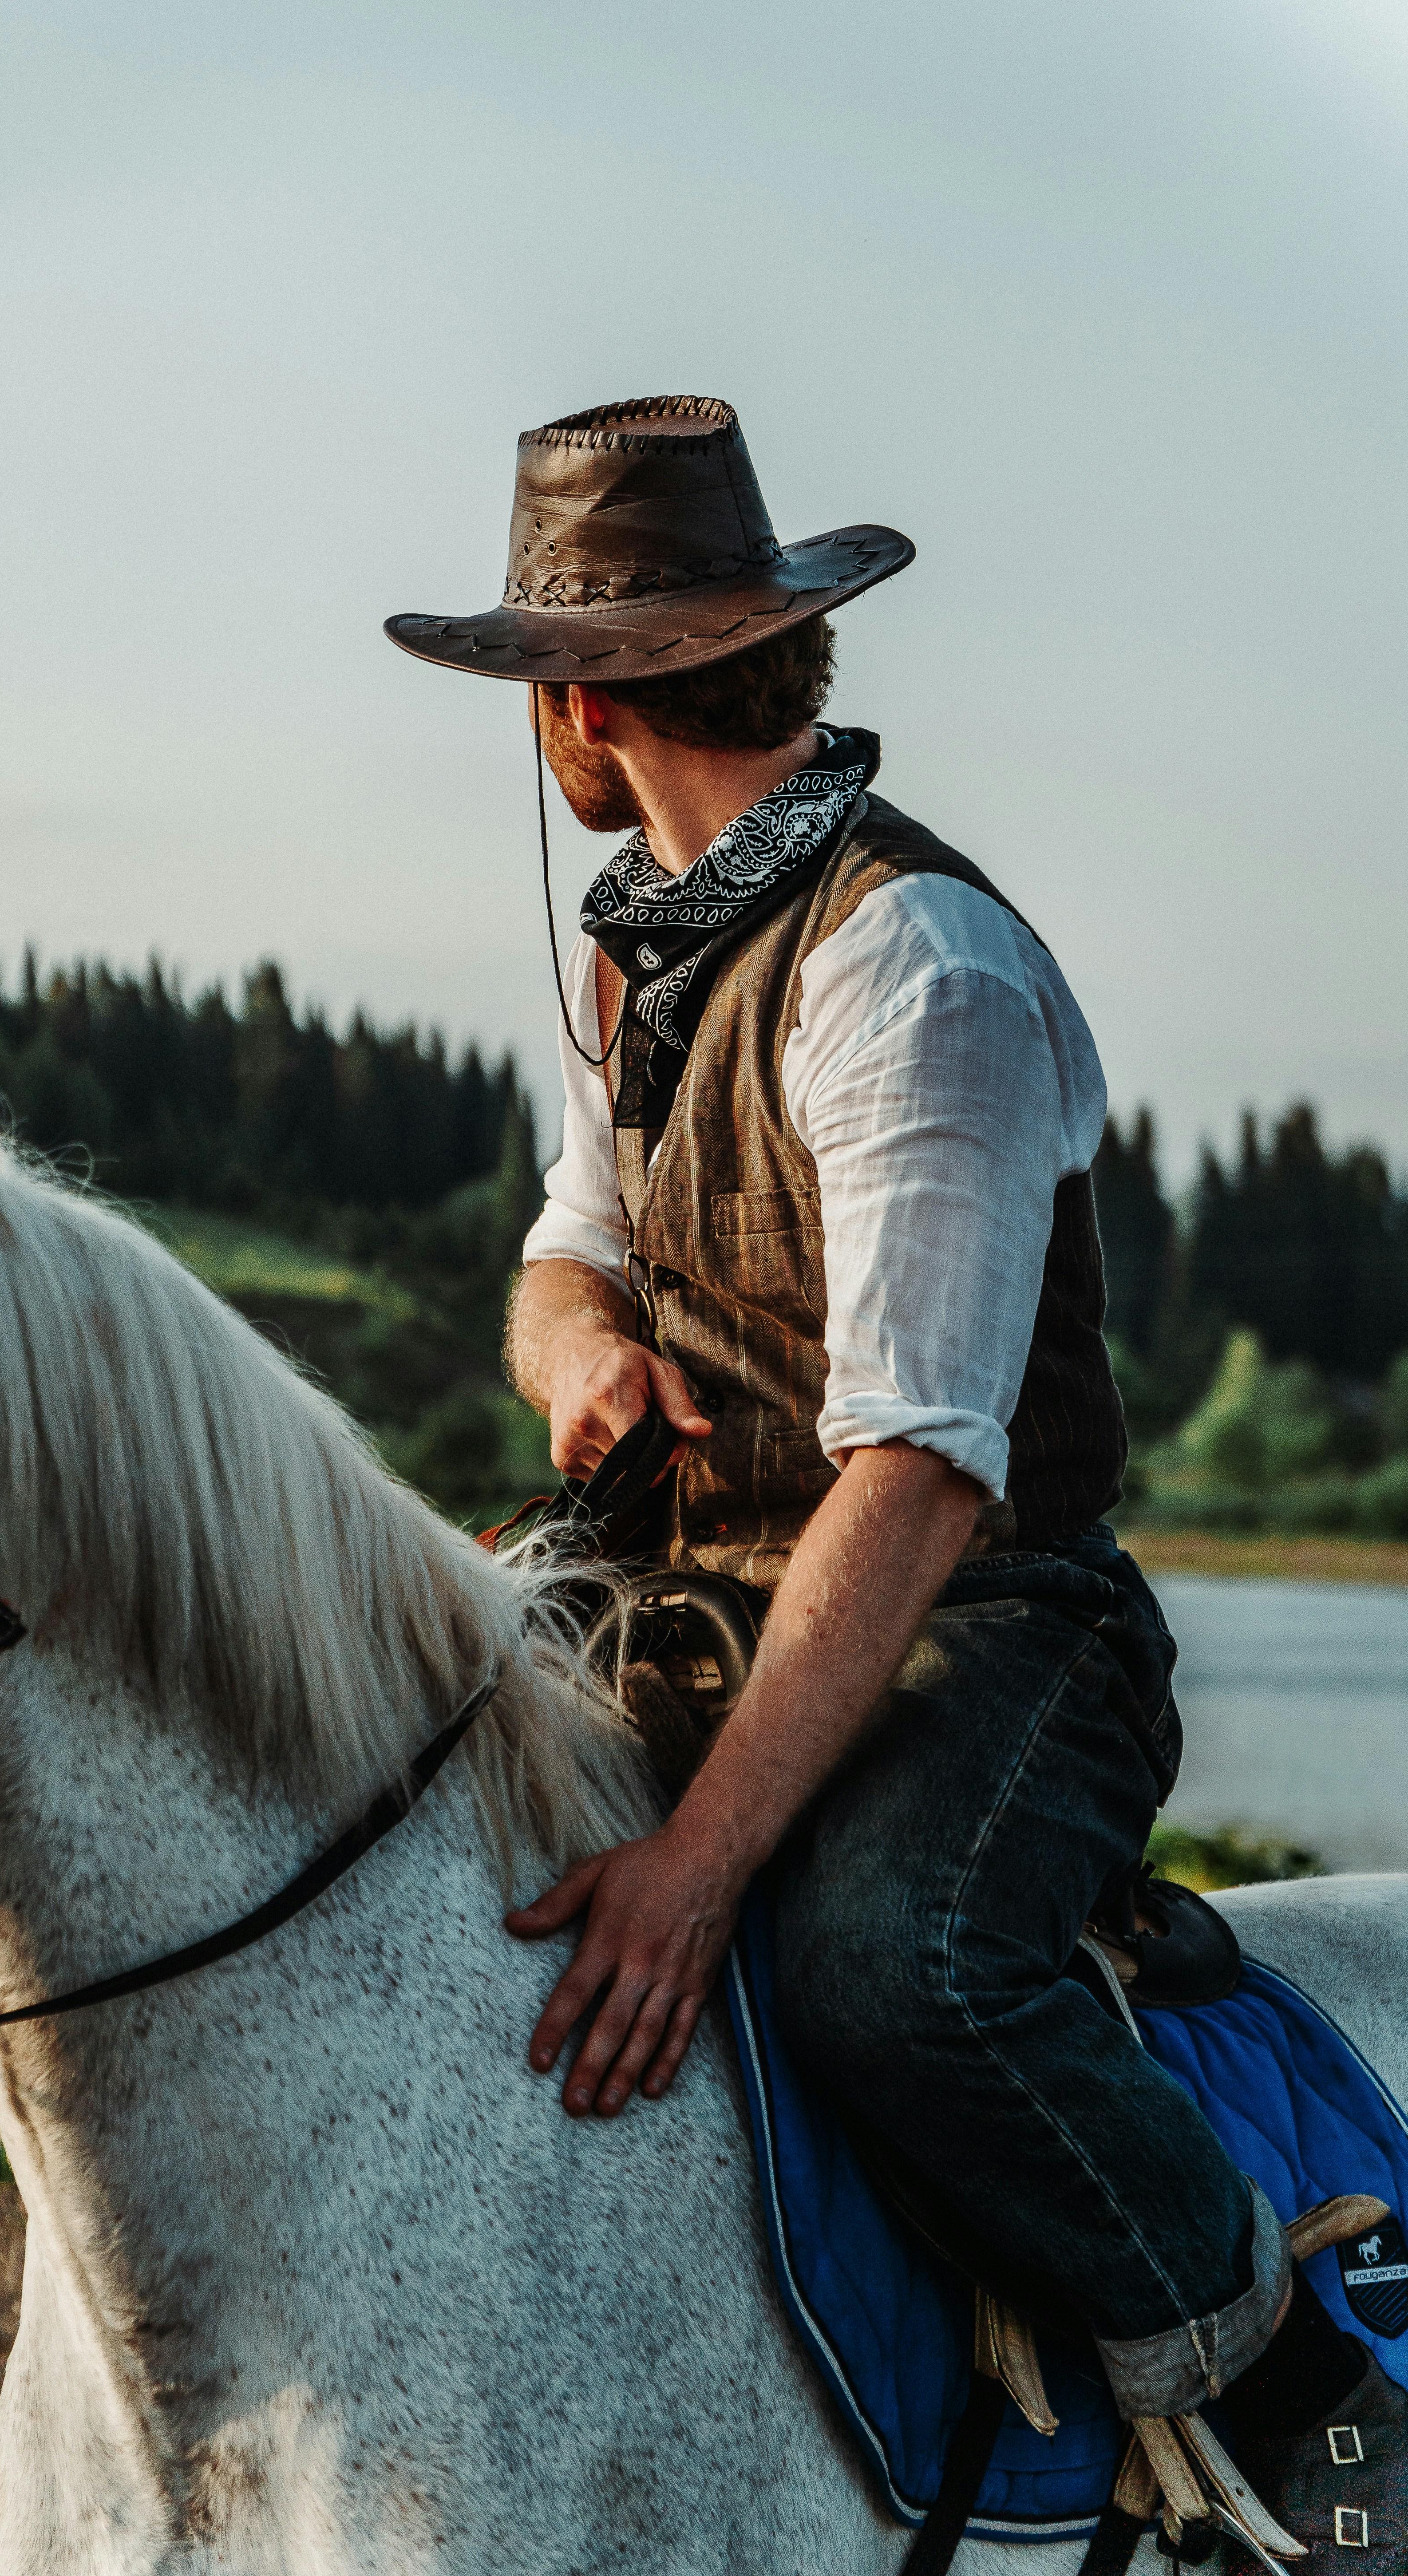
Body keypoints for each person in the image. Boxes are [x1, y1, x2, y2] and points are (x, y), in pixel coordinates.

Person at [385, 396, 1403, 2558]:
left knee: (886, 1964)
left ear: (586, 697)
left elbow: (925, 1481)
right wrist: (582, 1360)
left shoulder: (910, 965)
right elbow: (564, 1250)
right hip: (714, 1584)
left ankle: (1301, 2384)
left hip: (992, 1625)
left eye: (528, 688)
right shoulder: (637, 943)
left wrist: (693, 1869)